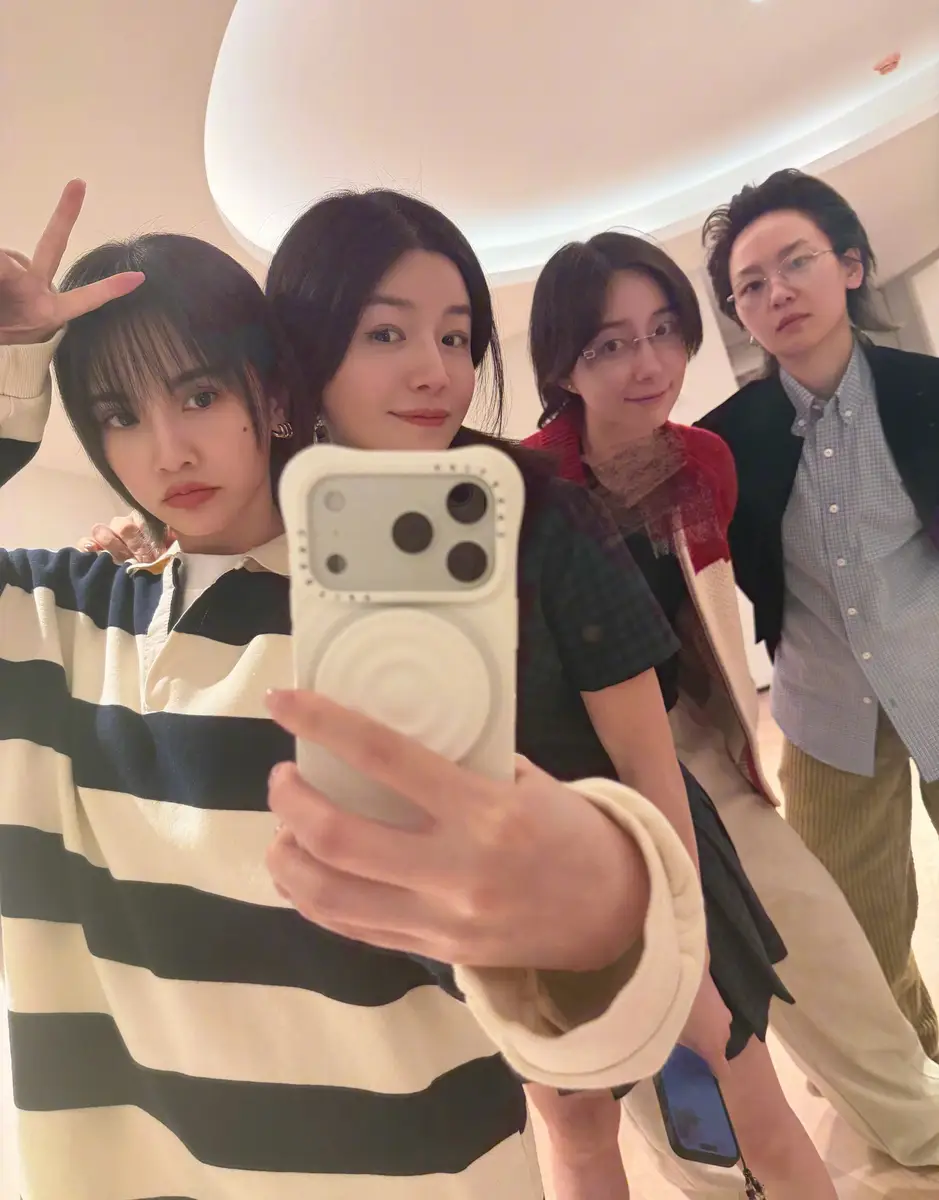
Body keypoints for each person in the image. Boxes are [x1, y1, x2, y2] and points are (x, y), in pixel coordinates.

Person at [0, 180, 707, 1200]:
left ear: (274, 397)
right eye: (118, 415)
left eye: (199, 396)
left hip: (427, 1166)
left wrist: (610, 917)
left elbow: (518, 958)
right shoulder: (53, 625)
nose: (168, 450)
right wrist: (10, 367)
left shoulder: (391, 615)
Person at [525, 232, 837, 1200]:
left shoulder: (700, 461)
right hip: (558, 801)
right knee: (598, 1107)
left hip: (677, 748)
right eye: (610, 344)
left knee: (754, 1019)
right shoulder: (530, 491)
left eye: (664, 330)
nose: (648, 362)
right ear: (563, 366)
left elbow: (702, 609)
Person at [697, 169, 939, 1064]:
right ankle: (921, 1060)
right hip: (825, 711)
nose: (776, 292)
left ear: (849, 266)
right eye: (749, 285)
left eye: (794, 262)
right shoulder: (723, 440)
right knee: (852, 934)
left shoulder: (927, 391)